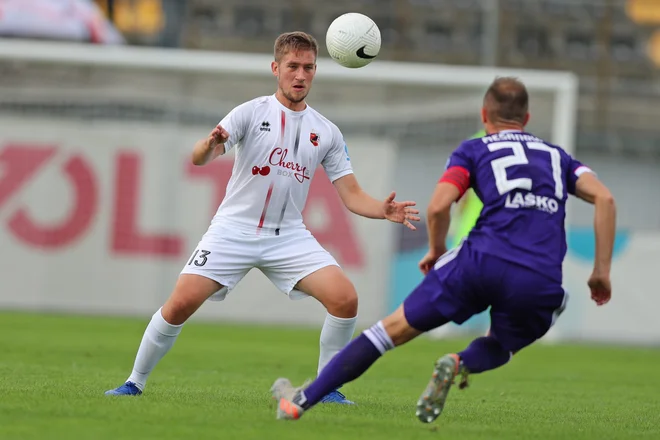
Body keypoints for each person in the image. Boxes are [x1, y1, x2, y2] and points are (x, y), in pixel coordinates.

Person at [271, 76, 616, 421]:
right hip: (538, 275)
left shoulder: (474, 149)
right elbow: (604, 198)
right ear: (526, 119)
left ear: (484, 115)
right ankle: (459, 362)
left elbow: (438, 207)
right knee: (501, 344)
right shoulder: (558, 157)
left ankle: (300, 401)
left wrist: (436, 251)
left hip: (479, 263)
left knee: (387, 332)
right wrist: (600, 271)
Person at [105, 31, 420, 404]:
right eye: (292, 67)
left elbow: (351, 195)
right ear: (276, 68)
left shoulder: (327, 132)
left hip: (288, 235)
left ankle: (327, 388)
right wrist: (209, 143)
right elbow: (198, 158)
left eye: (308, 67)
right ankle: (134, 382)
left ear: (315, 71)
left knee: (345, 300)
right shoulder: (250, 113)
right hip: (233, 230)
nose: (300, 75)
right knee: (179, 305)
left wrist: (382, 211)